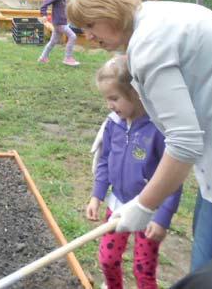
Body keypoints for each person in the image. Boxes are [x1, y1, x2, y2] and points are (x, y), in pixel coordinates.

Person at [67, 0, 212, 270]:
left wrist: (144, 204)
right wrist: (112, 120)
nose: (89, 37)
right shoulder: (155, 18)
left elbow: (185, 142)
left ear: (108, 11)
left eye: (89, 25)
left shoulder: (150, 44)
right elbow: (166, 99)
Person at [86, 56, 181, 289]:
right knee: (107, 260)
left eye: (114, 98)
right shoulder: (112, 124)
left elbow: (172, 180)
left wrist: (162, 218)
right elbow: (104, 161)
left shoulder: (157, 130)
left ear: (136, 93)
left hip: (149, 210)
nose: (109, 105)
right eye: (106, 99)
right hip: (117, 205)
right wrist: (97, 195)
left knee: (143, 270)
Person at [38, 0, 79, 66]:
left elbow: (67, 0)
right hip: (59, 22)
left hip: (60, 22)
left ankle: (43, 57)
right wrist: (43, 14)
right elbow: (45, 3)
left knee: (53, 41)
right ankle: (68, 58)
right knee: (73, 36)